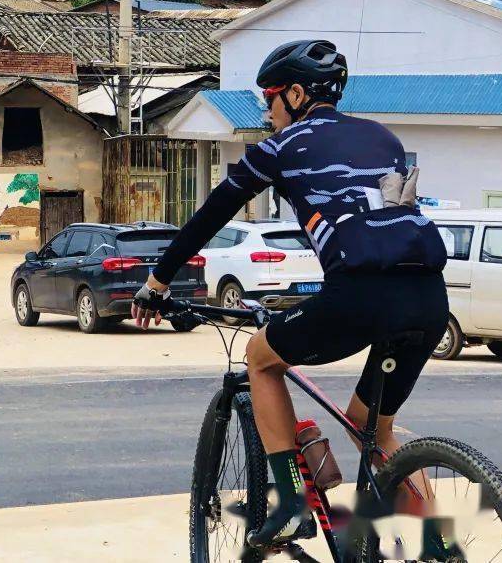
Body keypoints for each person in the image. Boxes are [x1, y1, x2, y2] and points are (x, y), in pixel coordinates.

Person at [133, 40, 449, 547]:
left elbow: (209, 217)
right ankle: (438, 546)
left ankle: (293, 503)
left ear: (297, 94)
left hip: (359, 296)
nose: (267, 111)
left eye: (271, 98)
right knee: (372, 427)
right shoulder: (383, 138)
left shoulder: (281, 147)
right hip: (430, 300)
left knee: (261, 358)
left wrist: (157, 283)